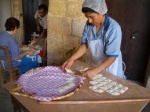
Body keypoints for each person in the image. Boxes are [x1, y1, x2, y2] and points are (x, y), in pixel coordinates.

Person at [62, 0, 125, 79]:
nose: (89, 20)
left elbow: (112, 57)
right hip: (95, 65)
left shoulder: (113, 28)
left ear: (101, 12)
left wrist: (96, 70)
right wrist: (71, 59)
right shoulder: (89, 25)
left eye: (92, 17)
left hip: (110, 68)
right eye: (87, 17)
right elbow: (84, 45)